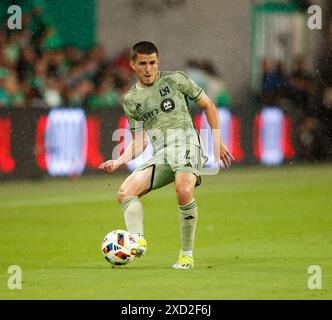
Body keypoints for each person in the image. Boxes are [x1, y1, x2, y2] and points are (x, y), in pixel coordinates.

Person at [98, 41, 234, 269]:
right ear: (133, 65)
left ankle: (186, 255)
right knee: (124, 192)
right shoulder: (131, 100)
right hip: (162, 153)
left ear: (158, 62)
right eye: (143, 64)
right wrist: (119, 160)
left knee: (183, 189)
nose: (148, 68)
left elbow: (208, 105)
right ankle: (137, 240)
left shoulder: (175, 80)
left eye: (152, 63)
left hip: (187, 144)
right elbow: (139, 141)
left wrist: (217, 143)